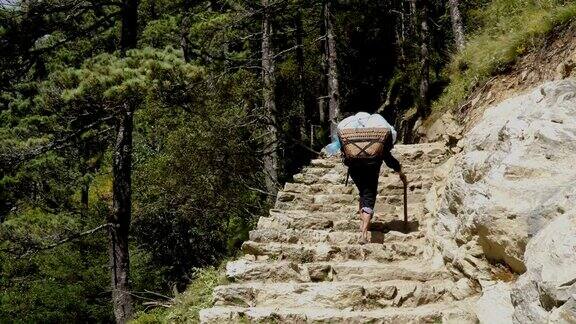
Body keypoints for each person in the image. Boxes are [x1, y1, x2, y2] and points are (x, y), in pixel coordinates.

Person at [347, 133, 407, 244]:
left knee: (363, 193)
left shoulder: (354, 141)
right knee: (369, 198)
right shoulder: (377, 141)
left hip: (354, 169)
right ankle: (363, 234)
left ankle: (363, 222)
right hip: (371, 169)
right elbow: (389, 160)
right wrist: (400, 171)